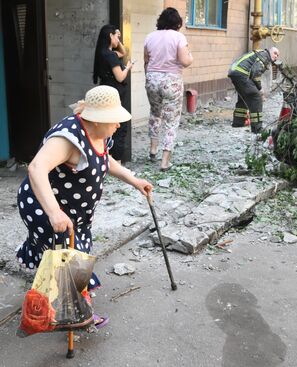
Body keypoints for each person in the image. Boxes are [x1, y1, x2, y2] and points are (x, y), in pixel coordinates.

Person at [16, 85, 153, 328]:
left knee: (72, 255)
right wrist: (53, 212)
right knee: (70, 259)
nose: (118, 125)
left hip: (74, 211)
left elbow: (104, 159)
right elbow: (36, 168)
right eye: (114, 119)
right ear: (96, 119)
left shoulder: (100, 134)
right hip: (42, 205)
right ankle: (73, 312)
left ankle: (61, 304)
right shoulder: (68, 138)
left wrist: (134, 180)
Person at [144, 7, 193, 171]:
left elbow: (146, 60)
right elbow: (185, 61)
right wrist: (190, 56)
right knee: (171, 120)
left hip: (152, 79)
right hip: (171, 81)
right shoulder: (179, 37)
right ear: (177, 23)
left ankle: (152, 150)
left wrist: (150, 77)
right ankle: (165, 162)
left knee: (155, 113)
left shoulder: (149, 37)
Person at [93, 24, 134, 162]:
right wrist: (127, 67)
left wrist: (116, 40)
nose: (119, 40)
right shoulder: (110, 56)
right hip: (115, 94)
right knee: (119, 127)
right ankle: (116, 161)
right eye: (117, 36)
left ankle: (105, 158)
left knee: (106, 125)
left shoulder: (102, 53)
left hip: (105, 90)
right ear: (110, 36)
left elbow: (122, 52)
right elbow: (120, 77)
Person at [228, 47, 280, 133]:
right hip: (241, 73)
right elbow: (255, 73)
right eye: (275, 53)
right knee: (256, 97)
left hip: (235, 72)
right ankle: (257, 128)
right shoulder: (264, 56)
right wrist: (260, 89)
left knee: (244, 97)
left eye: (278, 55)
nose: (276, 56)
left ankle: (238, 122)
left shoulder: (261, 53)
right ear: (270, 51)